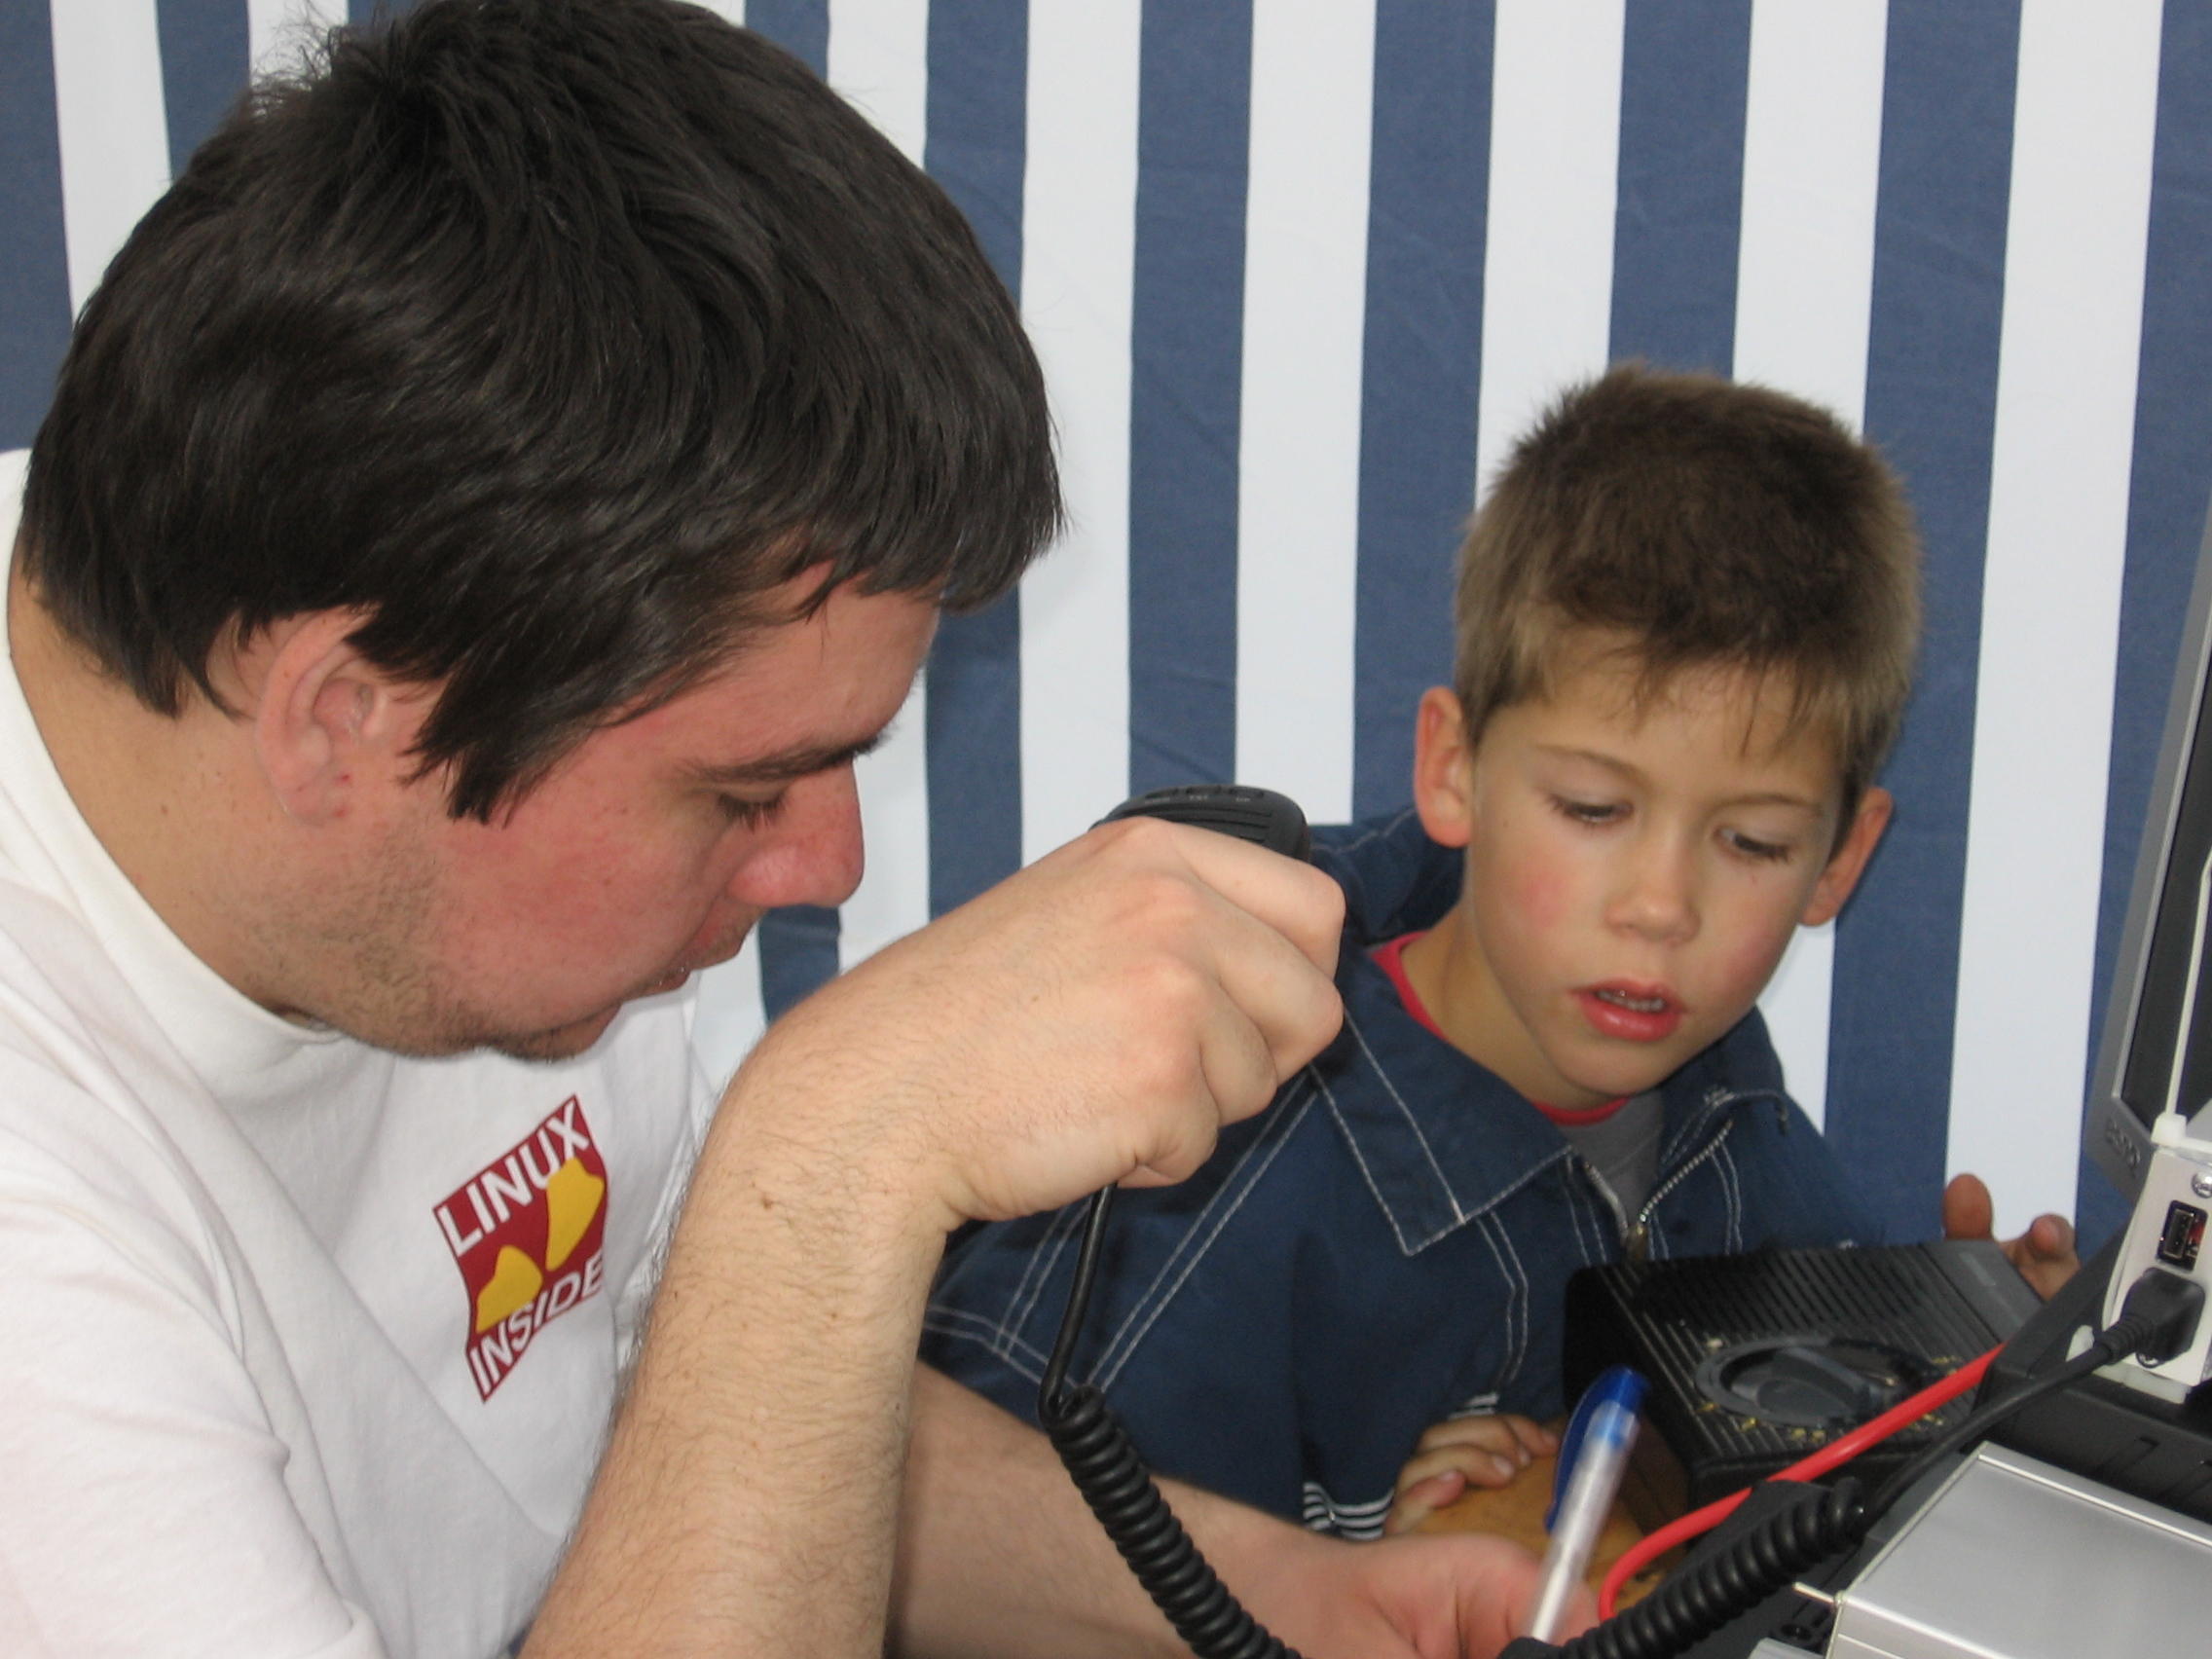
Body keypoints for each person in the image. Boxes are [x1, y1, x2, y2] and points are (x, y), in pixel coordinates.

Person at [0, 3, 1556, 1655]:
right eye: (744, 793)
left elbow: (721, 1425)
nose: (825, 868)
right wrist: (831, 1158)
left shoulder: (385, 670)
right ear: (344, 718)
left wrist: (1296, 1602)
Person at [922, 364, 2080, 1543]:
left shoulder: (1735, 1116)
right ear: (1453, 768)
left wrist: (1956, 1389)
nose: (1660, 907)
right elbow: (942, 1567)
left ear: (1840, 857)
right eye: (1591, 810)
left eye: (1751, 843)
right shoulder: (1197, 1172)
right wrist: (1361, 1584)